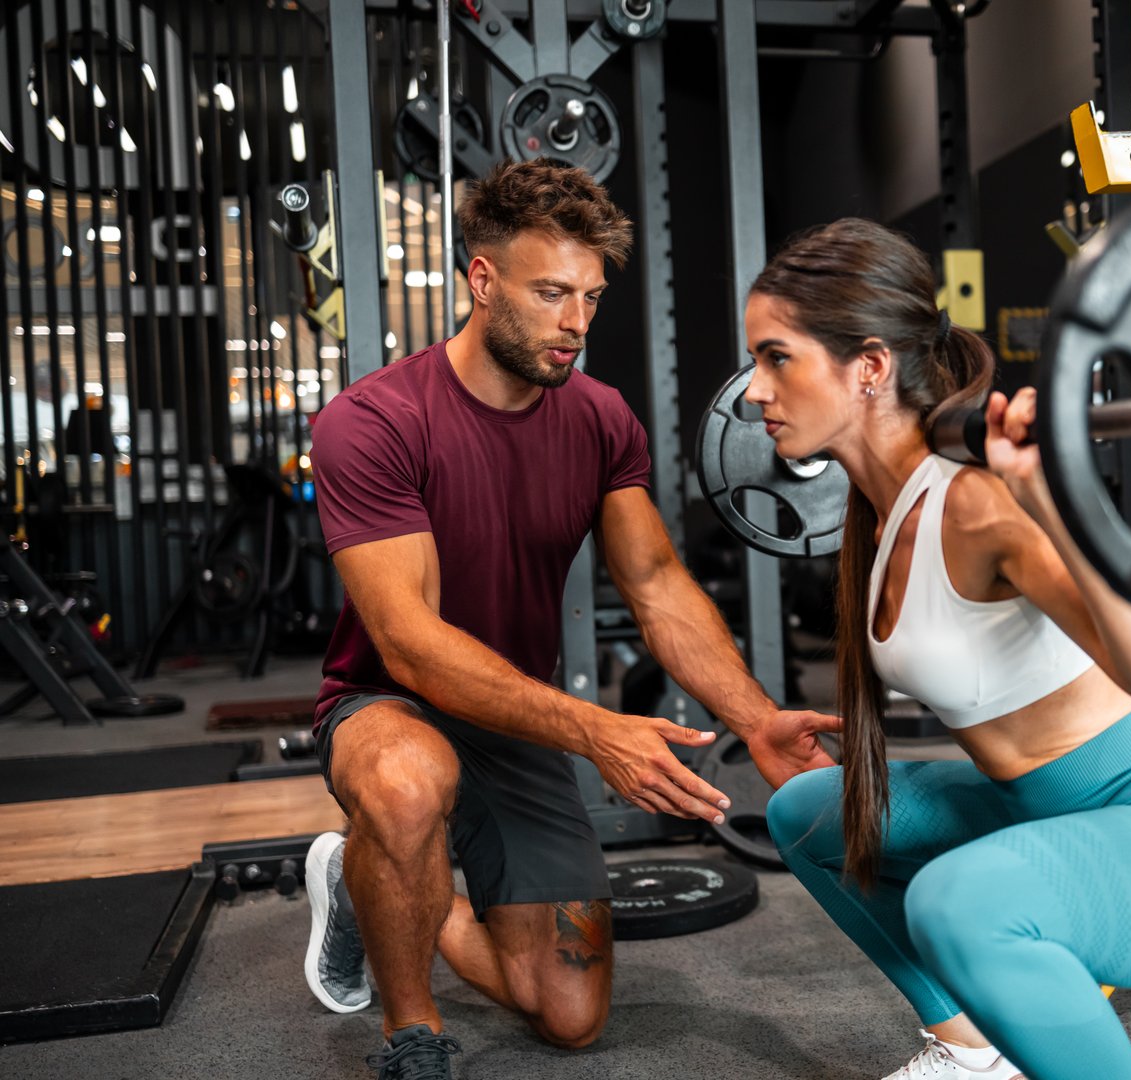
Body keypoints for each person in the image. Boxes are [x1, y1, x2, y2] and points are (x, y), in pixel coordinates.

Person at [303, 158, 839, 1080]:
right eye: (551, 293)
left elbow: (659, 585)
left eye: (590, 297)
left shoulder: (599, 419)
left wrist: (756, 722)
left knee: (571, 1013)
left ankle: (366, 883)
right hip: (389, 705)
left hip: (516, 715)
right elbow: (411, 646)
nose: (576, 324)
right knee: (407, 782)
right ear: (481, 279)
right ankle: (412, 1033)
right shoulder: (374, 422)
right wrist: (598, 733)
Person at [749, 219, 1131, 1080]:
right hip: (1043, 808)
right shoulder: (881, 514)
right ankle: (972, 1052)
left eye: (777, 357)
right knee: (811, 813)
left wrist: (1048, 496)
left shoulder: (977, 505)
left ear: (869, 367)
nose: (753, 390)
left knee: (957, 905)